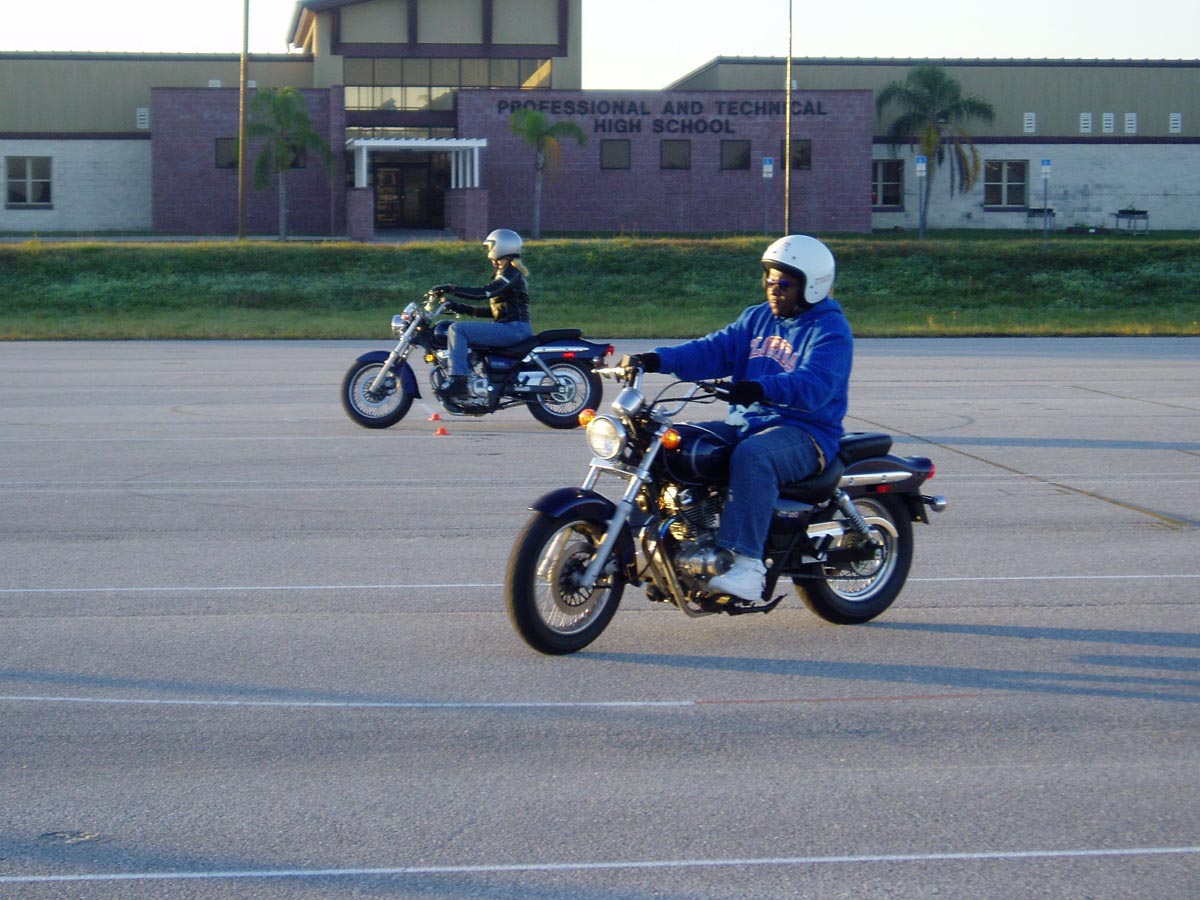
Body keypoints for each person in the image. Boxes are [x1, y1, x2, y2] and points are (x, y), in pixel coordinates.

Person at [622, 234, 854, 603]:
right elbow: (712, 349)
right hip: (748, 426)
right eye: (769, 279)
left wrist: (761, 387)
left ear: (812, 286)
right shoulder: (757, 318)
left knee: (754, 456)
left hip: (806, 433)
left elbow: (816, 384)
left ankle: (747, 565)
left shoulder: (830, 330)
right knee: (671, 443)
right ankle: (671, 543)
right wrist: (656, 359)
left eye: (784, 283)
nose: (773, 289)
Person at [431, 228, 533, 399]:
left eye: (490, 246)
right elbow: (495, 312)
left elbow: (483, 293)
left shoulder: (511, 274)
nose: (488, 251)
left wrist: (451, 289)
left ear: (500, 247)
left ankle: (459, 381)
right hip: (510, 327)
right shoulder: (506, 273)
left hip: (515, 330)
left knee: (457, 330)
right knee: (462, 331)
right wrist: (459, 307)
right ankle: (469, 377)